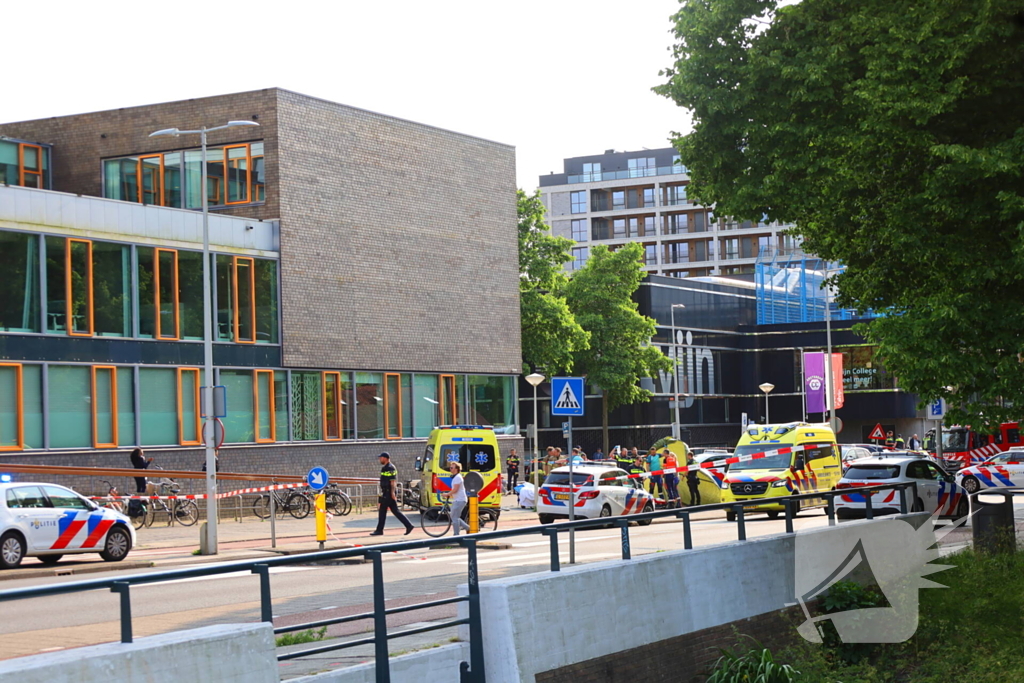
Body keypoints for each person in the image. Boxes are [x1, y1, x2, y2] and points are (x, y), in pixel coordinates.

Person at [371, 452, 414, 536]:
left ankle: (379, 530)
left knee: (382, 511)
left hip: (388, 492)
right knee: (395, 511)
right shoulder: (386, 468)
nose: (380, 459)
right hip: (387, 492)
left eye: (381, 458)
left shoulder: (390, 468)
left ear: (386, 458)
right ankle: (408, 525)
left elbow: (393, 481)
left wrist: (392, 493)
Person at [446, 461, 471, 536]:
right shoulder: (456, 477)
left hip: (460, 500)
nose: (450, 469)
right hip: (458, 499)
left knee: (455, 518)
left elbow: (455, 489)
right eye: (450, 467)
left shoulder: (457, 477)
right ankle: (468, 528)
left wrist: (447, 494)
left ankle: (456, 535)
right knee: (454, 516)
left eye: (451, 467)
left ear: (456, 469)